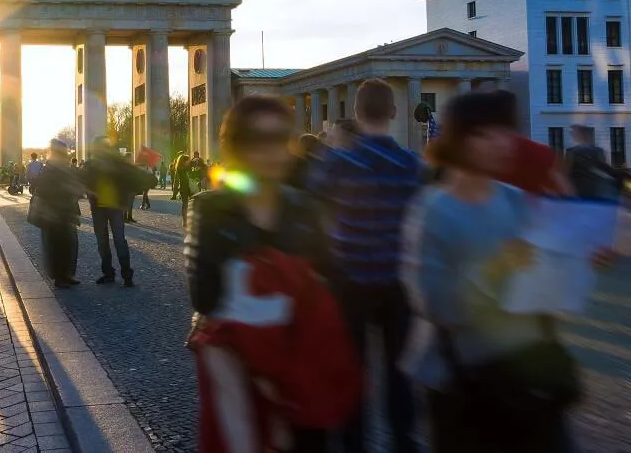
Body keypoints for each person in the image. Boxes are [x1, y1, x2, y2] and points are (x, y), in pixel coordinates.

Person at [401, 91, 608, 453]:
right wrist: (497, 268)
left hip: (527, 371)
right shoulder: (432, 211)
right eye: (488, 133)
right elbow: (436, 305)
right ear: (459, 140)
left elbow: (549, 274)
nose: (504, 143)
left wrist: (581, 257)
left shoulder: (515, 200)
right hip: (462, 382)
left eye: (506, 131)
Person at [185, 95, 344, 453]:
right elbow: (205, 297)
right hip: (242, 380)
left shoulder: (305, 208)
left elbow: (330, 284)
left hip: (303, 377)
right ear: (236, 146)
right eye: (257, 140)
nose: (269, 151)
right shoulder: (210, 209)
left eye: (278, 139)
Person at [308, 79, 421, 453]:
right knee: (398, 371)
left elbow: (313, 200)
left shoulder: (339, 162)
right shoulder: (409, 164)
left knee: (352, 372)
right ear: (392, 112)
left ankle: (353, 443)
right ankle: (403, 440)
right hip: (395, 282)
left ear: (356, 113)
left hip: (349, 282)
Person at [84, 136, 139, 287]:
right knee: (110, 241)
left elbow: (129, 182)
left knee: (114, 241)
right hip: (103, 207)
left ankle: (121, 274)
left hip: (111, 207)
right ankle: (114, 274)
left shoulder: (116, 164)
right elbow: (86, 184)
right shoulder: (92, 165)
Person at [35, 138, 84, 288]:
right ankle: (59, 276)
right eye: (61, 153)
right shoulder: (47, 169)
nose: (64, 156)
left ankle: (67, 274)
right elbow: (43, 189)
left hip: (66, 212)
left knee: (70, 244)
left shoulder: (65, 168)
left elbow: (75, 184)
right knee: (56, 246)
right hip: (53, 214)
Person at [565, 124, 623, 200]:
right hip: (596, 189)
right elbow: (605, 169)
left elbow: (566, 172)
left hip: (578, 189)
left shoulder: (571, 152)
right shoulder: (598, 151)